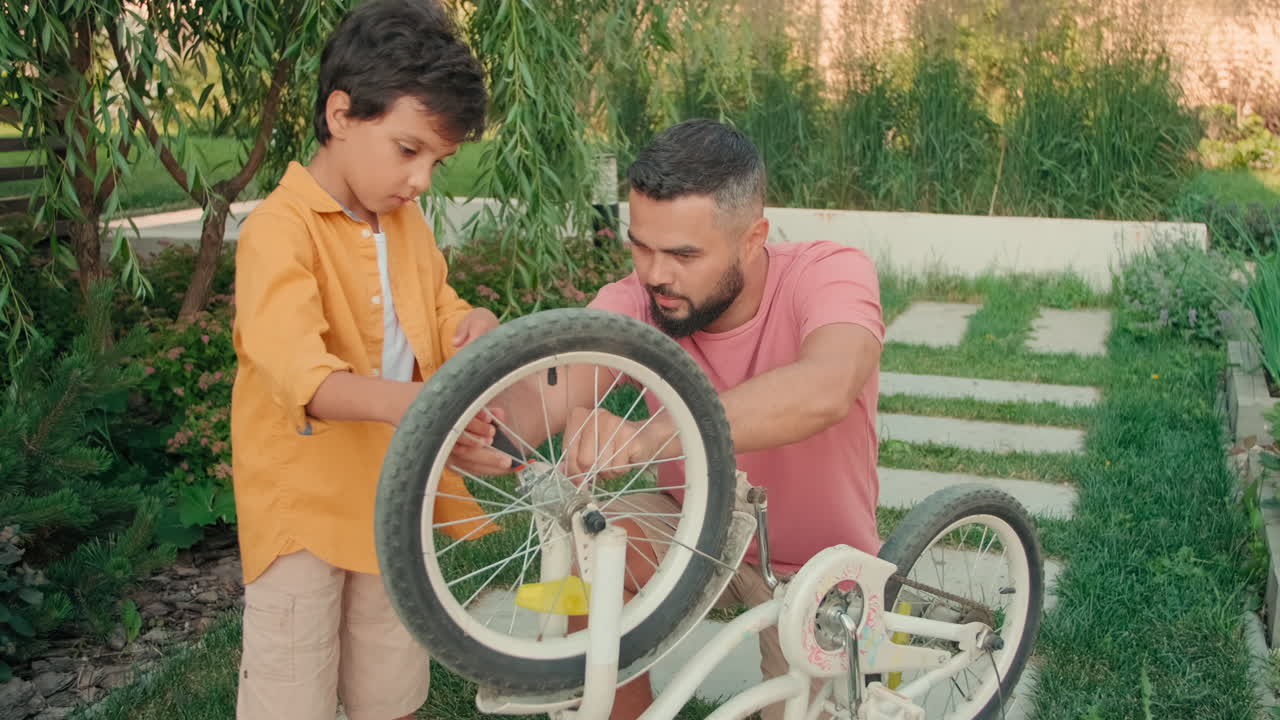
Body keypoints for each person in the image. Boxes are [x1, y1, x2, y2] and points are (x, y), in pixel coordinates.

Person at [228, 1, 512, 718]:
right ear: (341, 115)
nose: (421, 181)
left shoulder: (404, 224)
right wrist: (421, 407)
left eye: (436, 162)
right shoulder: (277, 231)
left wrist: (470, 327)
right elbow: (304, 377)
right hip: (302, 511)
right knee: (293, 691)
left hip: (391, 497)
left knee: (389, 687)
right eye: (408, 150)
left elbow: (436, 309)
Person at [562, 119, 885, 720]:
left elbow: (827, 388)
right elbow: (551, 385)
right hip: (696, 530)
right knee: (589, 545)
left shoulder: (828, 272)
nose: (655, 274)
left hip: (814, 564)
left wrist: (654, 436)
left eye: (683, 254)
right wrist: (477, 412)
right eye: (641, 246)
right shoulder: (640, 297)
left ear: (752, 238)